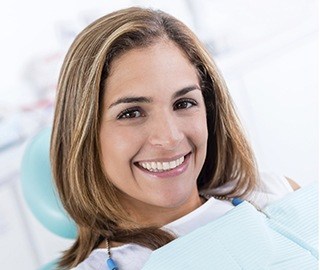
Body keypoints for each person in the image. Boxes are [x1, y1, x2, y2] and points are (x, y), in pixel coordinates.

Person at [50, 6, 300, 269]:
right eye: (132, 112)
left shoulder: (275, 194)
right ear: (85, 134)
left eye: (183, 103)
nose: (169, 138)